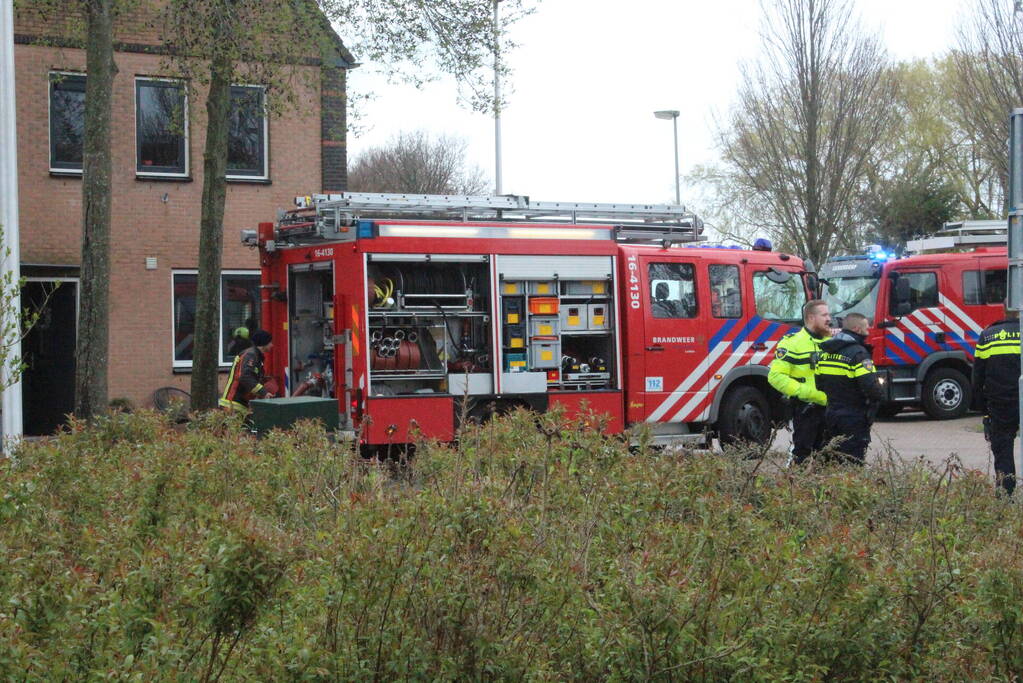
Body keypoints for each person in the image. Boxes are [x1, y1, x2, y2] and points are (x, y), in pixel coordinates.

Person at [815, 313, 884, 465]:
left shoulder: (824, 353)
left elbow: (818, 384)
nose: (868, 332)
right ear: (857, 329)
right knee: (853, 462)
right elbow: (871, 387)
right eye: (866, 328)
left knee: (833, 459)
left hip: (831, 415)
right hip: (853, 417)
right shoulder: (858, 354)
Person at [768, 299, 831, 464]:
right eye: (824, 315)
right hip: (805, 409)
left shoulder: (832, 343)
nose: (829, 318)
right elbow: (776, 377)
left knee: (828, 456)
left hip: (830, 409)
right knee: (800, 457)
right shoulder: (792, 343)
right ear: (811, 318)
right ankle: (794, 488)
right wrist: (809, 394)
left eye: (829, 314)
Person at [971, 307, 1021, 495]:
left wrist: (984, 411)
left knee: (1003, 452)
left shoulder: (988, 335)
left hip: (1001, 404)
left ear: (1004, 310)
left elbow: (978, 377)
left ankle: (1005, 498)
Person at [219, 329, 275, 412]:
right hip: (233, 404)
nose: (272, 345)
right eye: (270, 342)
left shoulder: (255, 356)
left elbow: (250, 376)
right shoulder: (251, 355)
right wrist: (263, 392)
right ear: (263, 343)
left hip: (239, 404)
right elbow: (245, 376)